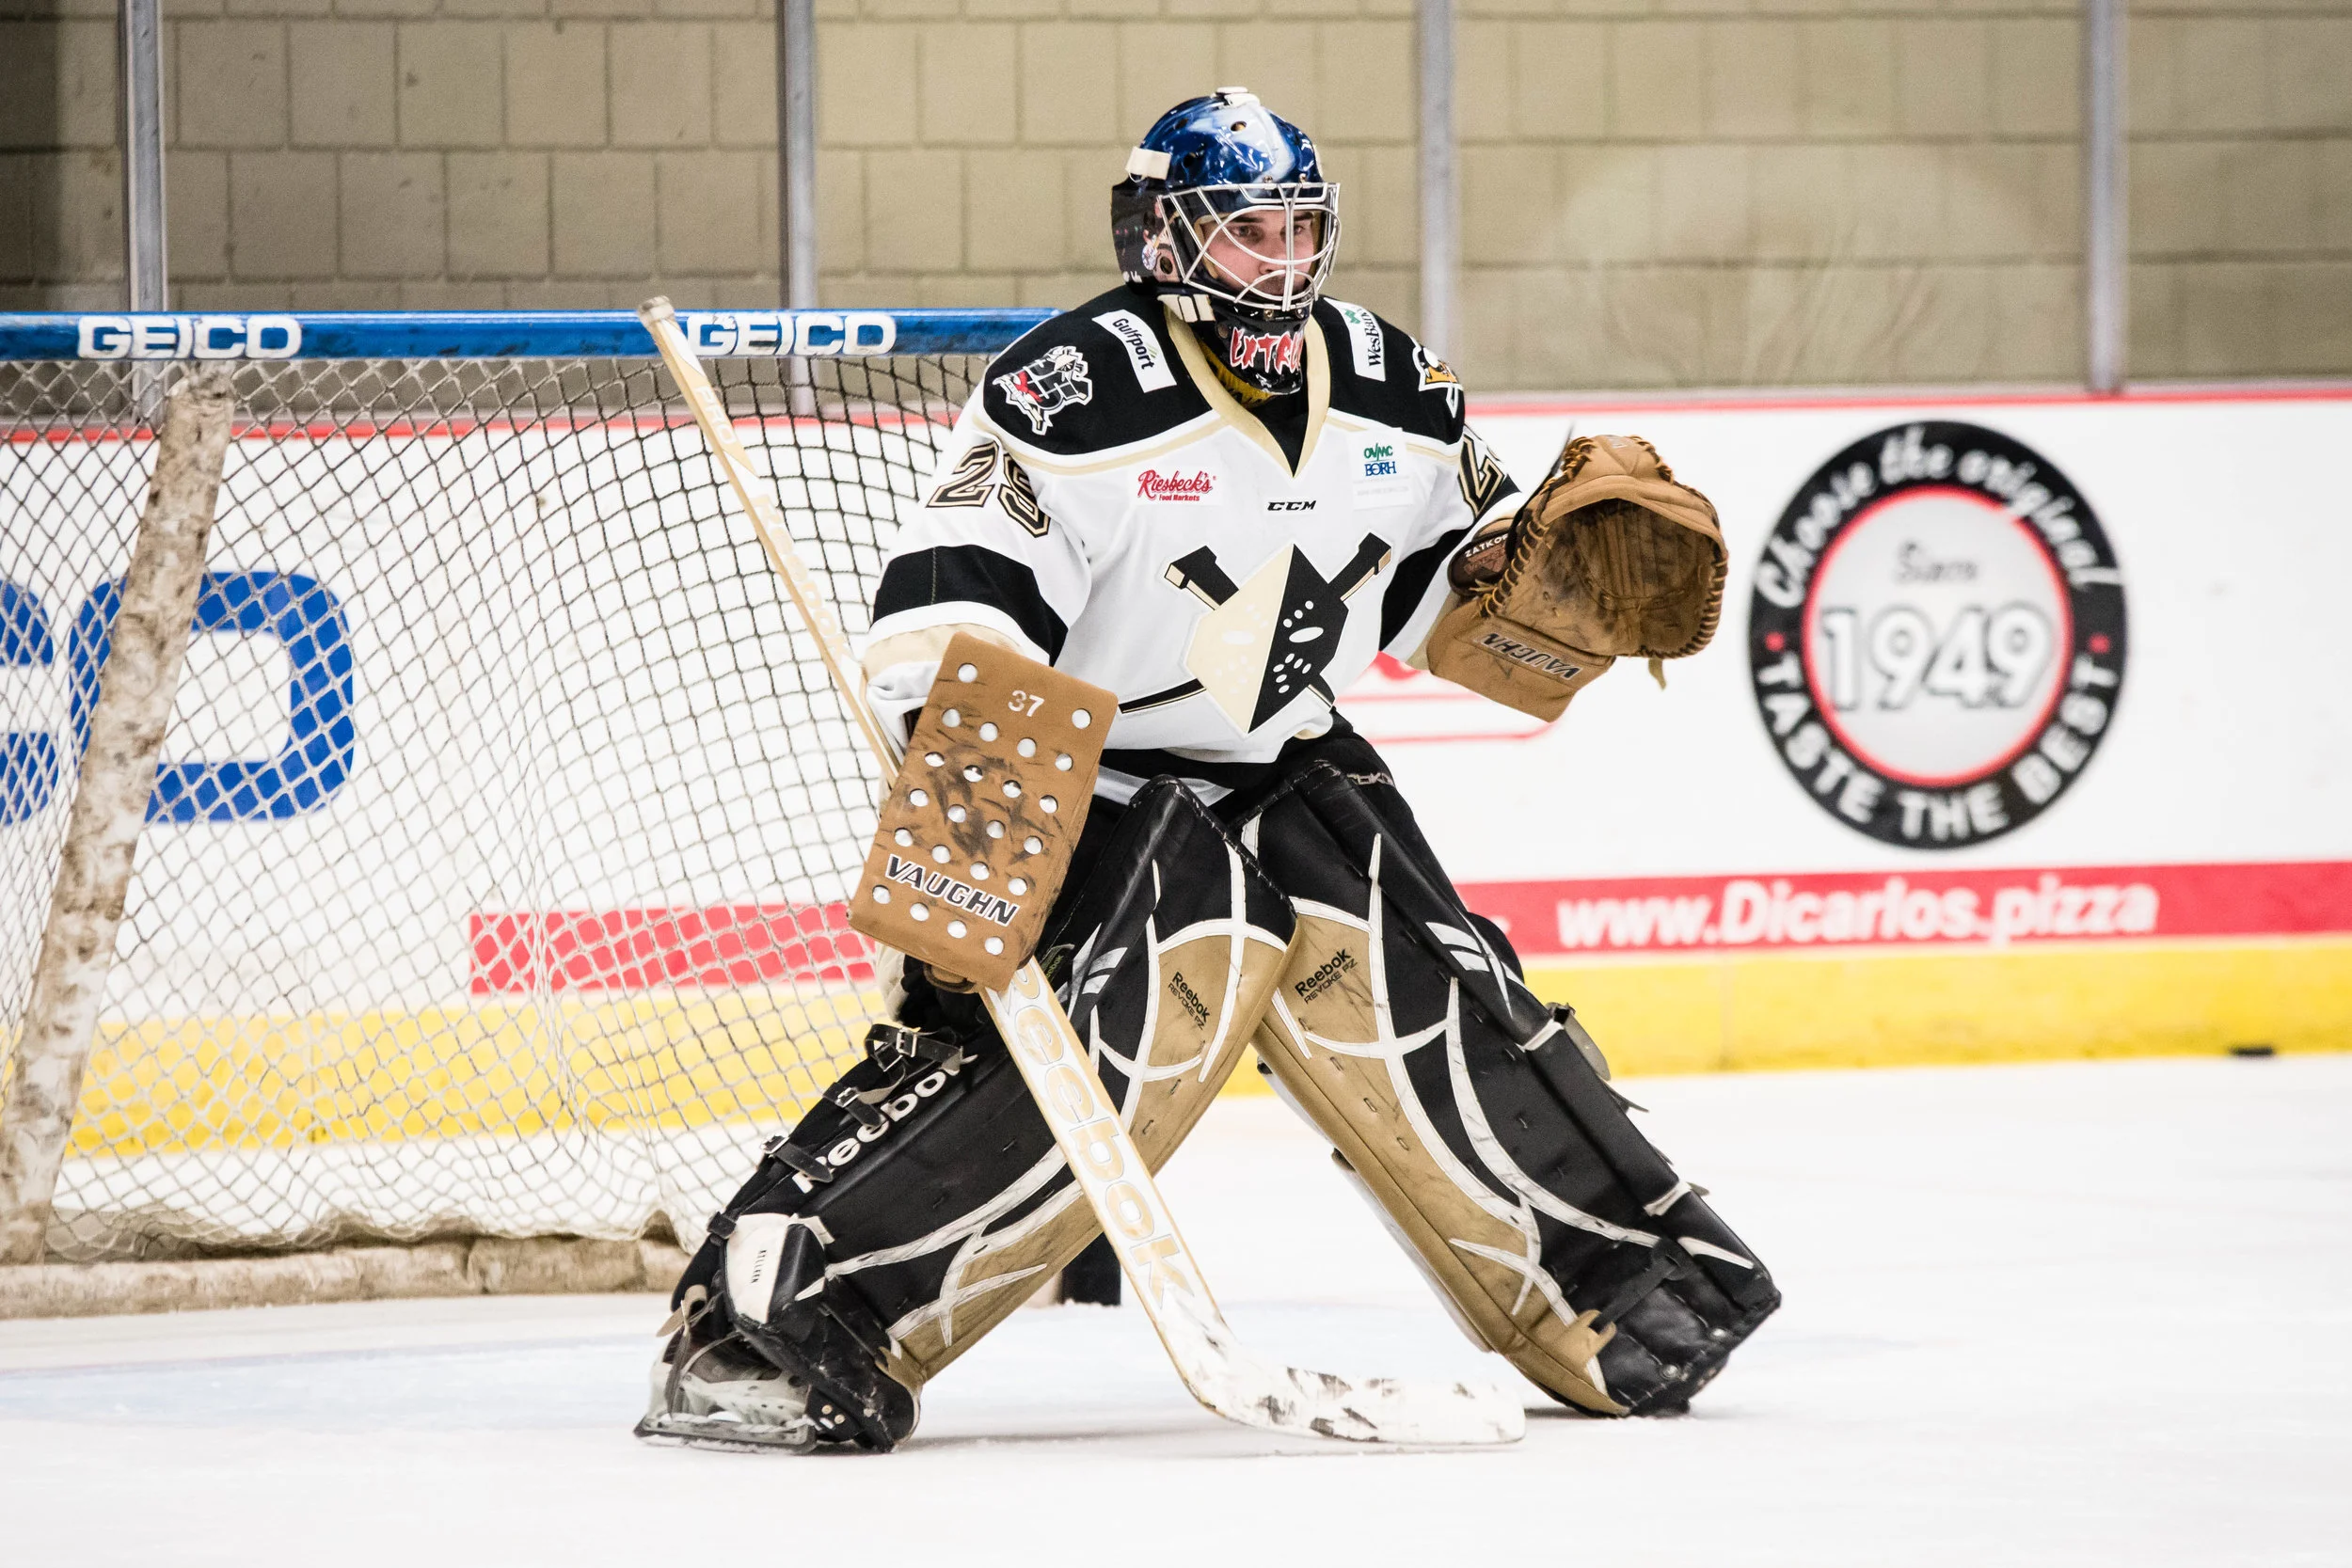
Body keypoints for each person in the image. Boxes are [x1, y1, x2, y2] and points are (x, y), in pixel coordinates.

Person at [637, 88, 1778, 1454]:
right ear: (1164, 241)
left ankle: (1620, 1282)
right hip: (1096, 784)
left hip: (1285, 761)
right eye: (1245, 234)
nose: (1281, 263)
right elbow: (950, 619)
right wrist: (978, 842)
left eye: (1299, 229)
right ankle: (766, 1317)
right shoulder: (1070, 392)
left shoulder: (1390, 383)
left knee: (1426, 976)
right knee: (1125, 1017)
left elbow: (1444, 593)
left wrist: (1526, 577)